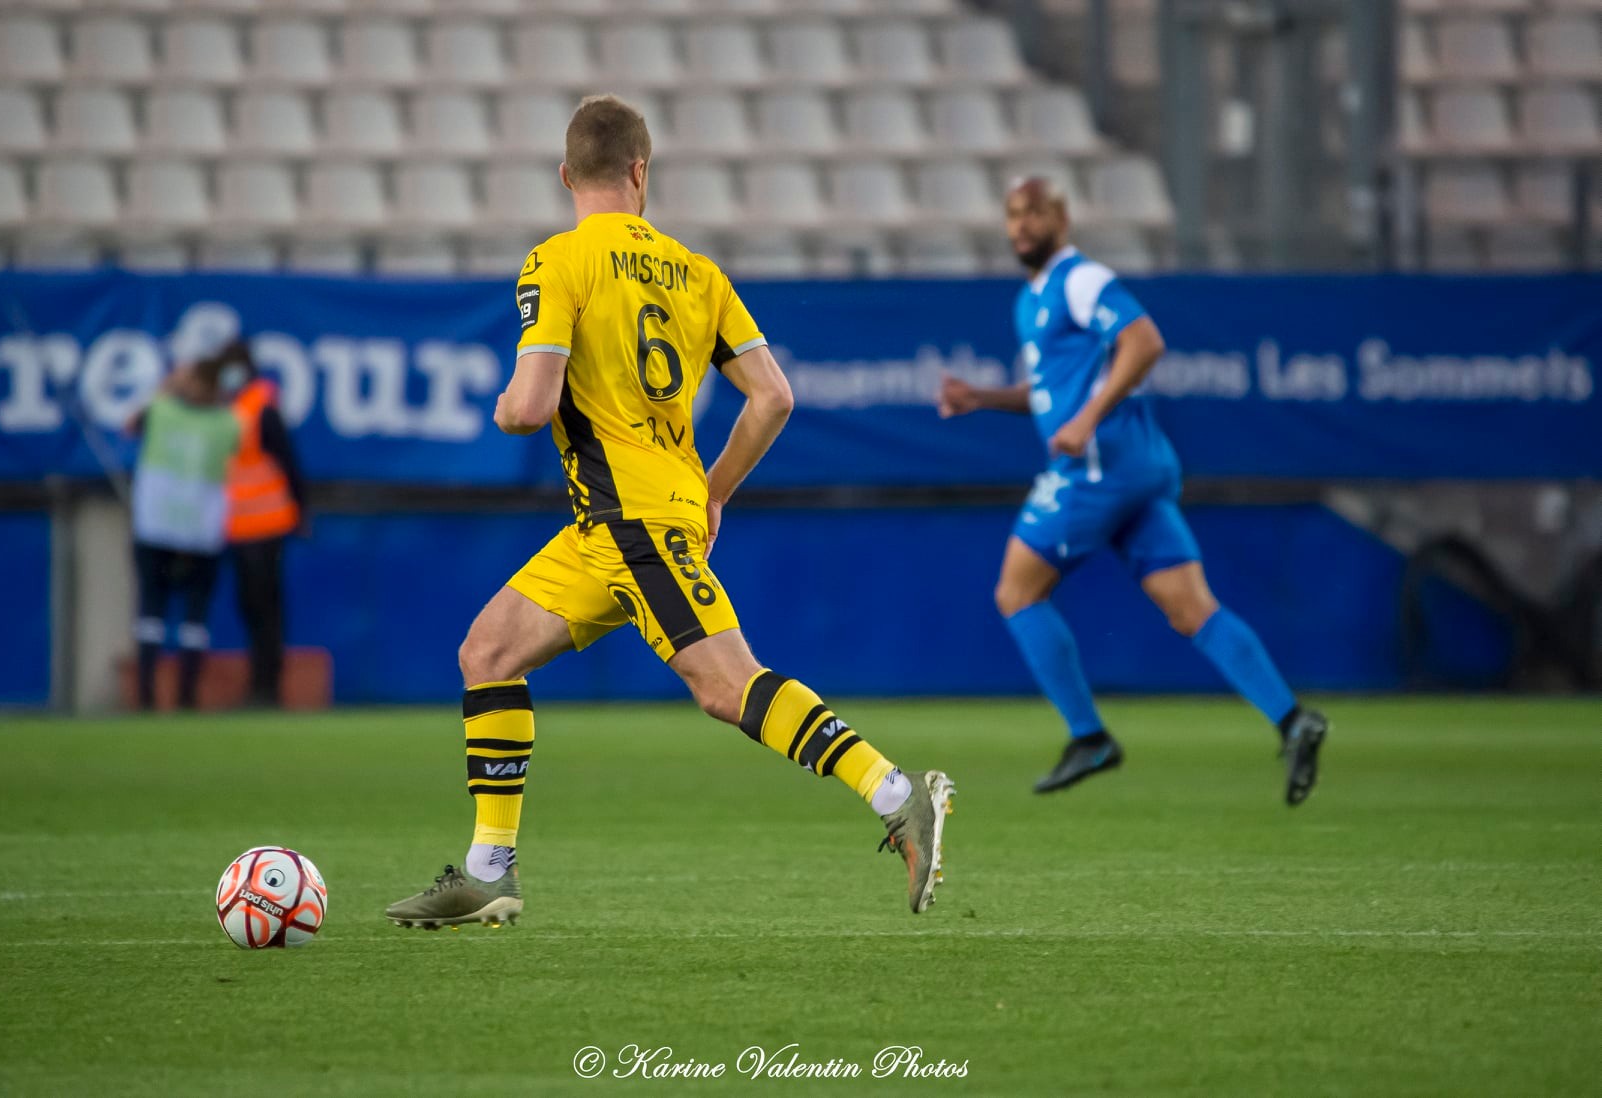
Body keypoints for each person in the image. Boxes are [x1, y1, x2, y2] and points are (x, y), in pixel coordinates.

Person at [385, 95, 953, 929]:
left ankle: (897, 794)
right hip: (613, 526)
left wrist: (506, 403)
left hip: (631, 523)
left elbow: (530, 407)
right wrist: (716, 488)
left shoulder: (557, 261)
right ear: (641, 173)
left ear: (565, 175)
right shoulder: (697, 272)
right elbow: (773, 398)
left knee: (728, 688)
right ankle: (487, 870)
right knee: (490, 650)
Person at [937, 177, 1328, 804]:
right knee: (1190, 607)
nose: (1021, 226)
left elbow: (1144, 341)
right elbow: (1047, 396)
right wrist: (981, 397)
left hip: (1098, 468)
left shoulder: (1080, 279)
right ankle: (1291, 718)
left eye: (1034, 212)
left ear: (1062, 216)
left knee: (1016, 591)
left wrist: (1088, 418)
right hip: (1137, 471)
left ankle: (1088, 735)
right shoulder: (1031, 301)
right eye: (1013, 215)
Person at [127, 349, 243, 711]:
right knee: (195, 615)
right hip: (201, 529)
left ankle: (146, 697)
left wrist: (167, 386)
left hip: (156, 523)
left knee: (151, 609)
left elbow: (129, 425)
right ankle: (186, 697)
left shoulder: (161, 409)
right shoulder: (228, 422)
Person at [220, 341, 307, 708]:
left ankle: (267, 687)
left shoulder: (260, 407)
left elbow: (288, 461)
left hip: (267, 522)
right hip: (240, 525)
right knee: (251, 607)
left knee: (266, 608)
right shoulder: (234, 407)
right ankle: (259, 684)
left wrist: (301, 510)